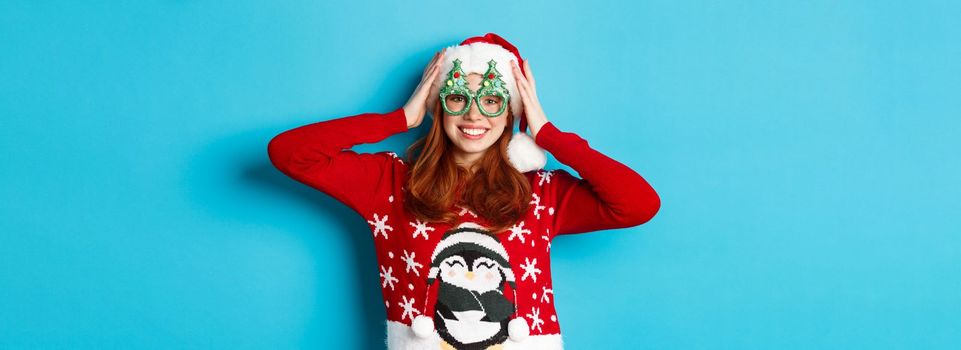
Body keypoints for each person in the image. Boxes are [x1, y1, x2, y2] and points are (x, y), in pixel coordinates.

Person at [268, 33, 660, 350]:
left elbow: (639, 204)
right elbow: (289, 153)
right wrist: (400, 118)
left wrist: (547, 134)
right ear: (439, 107)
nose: (474, 115)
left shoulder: (542, 193)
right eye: (458, 97)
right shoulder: (387, 181)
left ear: (511, 112)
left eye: (492, 100)